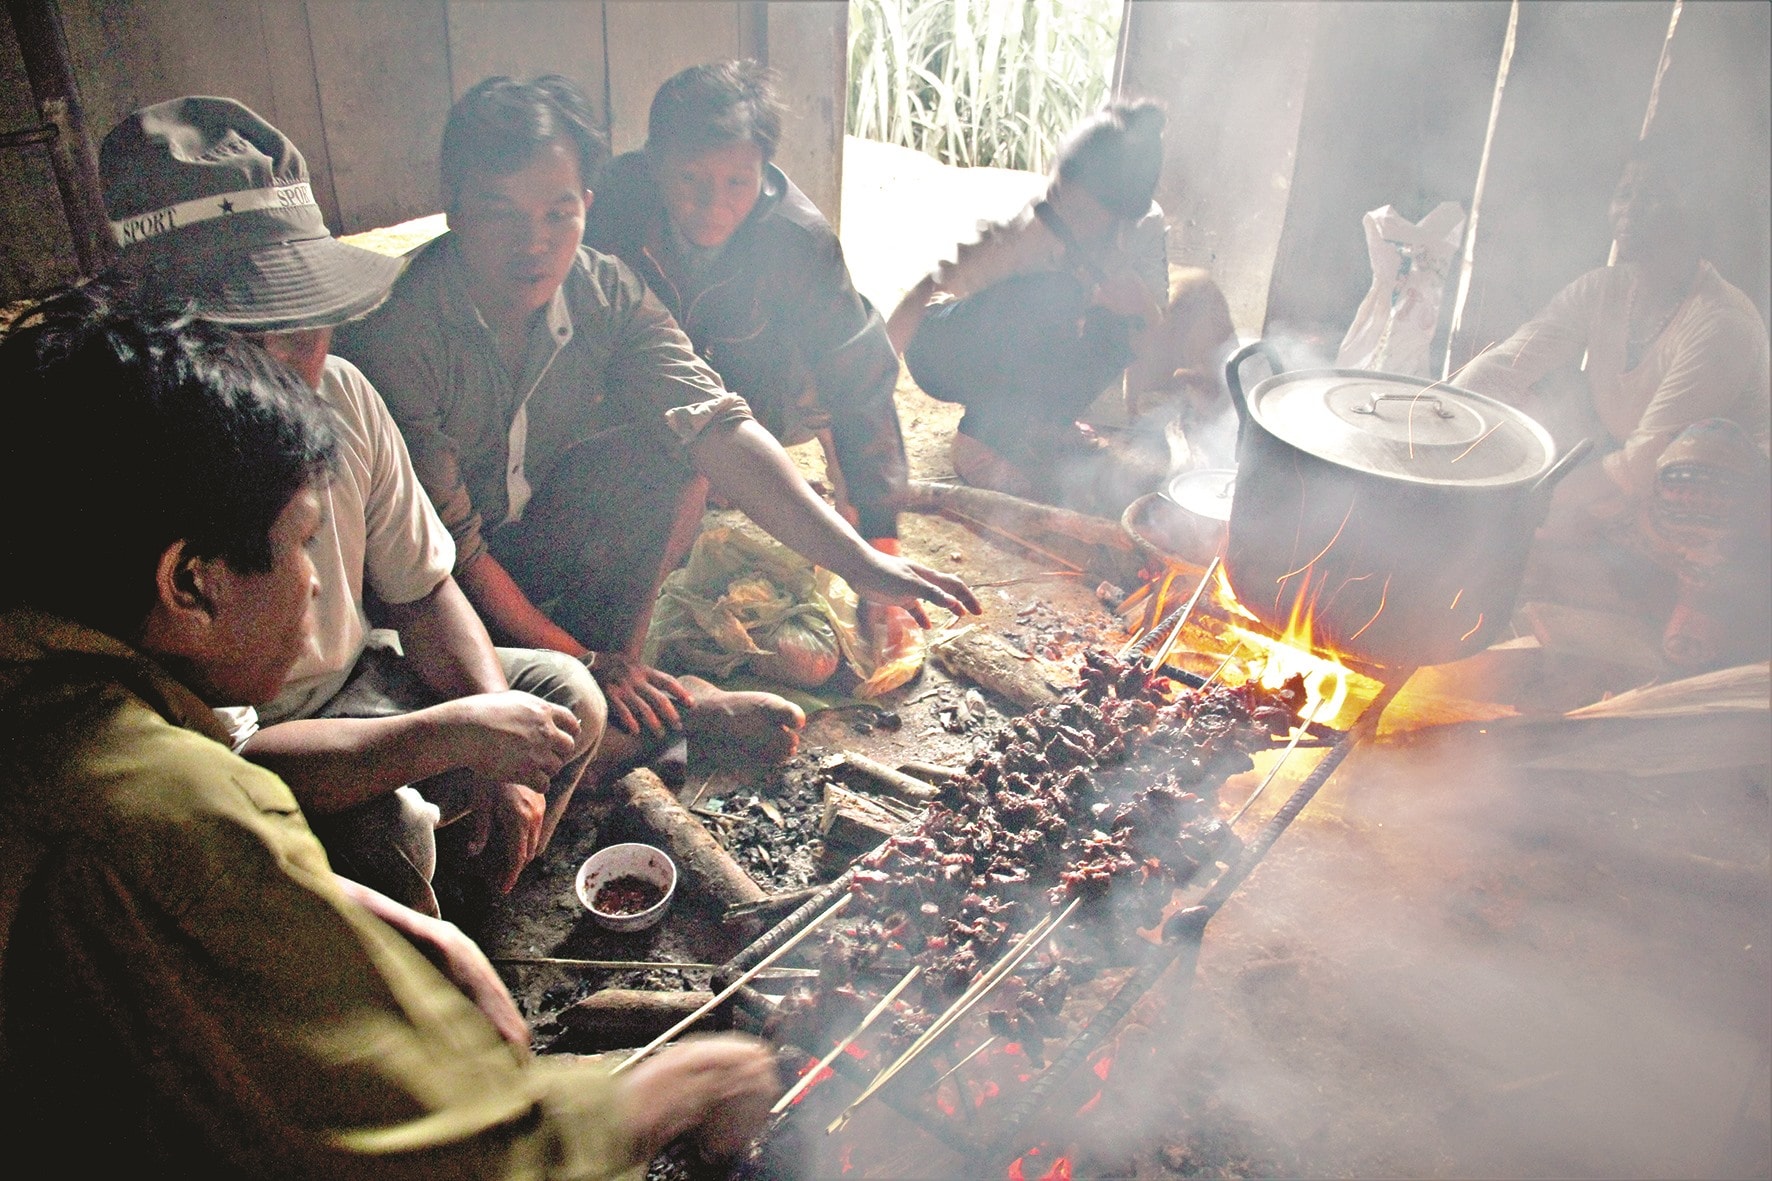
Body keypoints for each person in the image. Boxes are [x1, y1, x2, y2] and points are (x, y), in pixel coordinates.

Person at [0, 294, 778, 1175]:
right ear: (191, 585)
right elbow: (456, 1163)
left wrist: (398, 926)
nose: (316, 582)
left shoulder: (53, 676)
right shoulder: (159, 803)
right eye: (299, 545)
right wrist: (678, 1090)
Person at [336, 75, 978, 769]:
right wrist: (581, 658)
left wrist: (863, 561)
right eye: (501, 213)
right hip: (430, 594)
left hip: (530, 539)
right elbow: (449, 558)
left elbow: (719, 425)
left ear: (586, 205)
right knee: (468, 730)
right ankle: (656, 710)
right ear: (455, 209)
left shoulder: (605, 287)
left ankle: (629, 689)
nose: (535, 243)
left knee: (670, 451)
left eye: (558, 213)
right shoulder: (400, 331)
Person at [98, 96, 608, 918]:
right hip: (247, 753)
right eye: (257, 331)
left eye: (312, 322)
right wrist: (451, 736)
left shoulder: (340, 392)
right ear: (171, 335)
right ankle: (411, 938)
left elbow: (424, 589)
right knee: (391, 830)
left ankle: (470, 888)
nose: (300, 359)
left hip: (362, 681)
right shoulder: (153, 473)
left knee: (564, 701)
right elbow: (237, 758)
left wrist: (491, 728)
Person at [1457, 136, 1770, 669]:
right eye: (1624, 194)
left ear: (1691, 214)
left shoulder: (1722, 322)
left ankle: (1703, 609)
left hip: (1727, 523)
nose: (1629, 211)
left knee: (1699, 455)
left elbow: (1647, 459)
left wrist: (1528, 506)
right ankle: (1628, 586)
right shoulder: (1601, 291)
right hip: (1639, 504)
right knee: (1539, 409)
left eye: (1652, 197)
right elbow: (1509, 364)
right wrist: (1433, 418)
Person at [585, 59, 908, 554]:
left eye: (738, 182)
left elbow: (857, 373)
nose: (713, 204)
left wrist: (880, 531)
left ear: (764, 167)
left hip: (764, 400)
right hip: (653, 391)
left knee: (836, 351)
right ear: (654, 163)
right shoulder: (614, 207)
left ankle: (831, 492)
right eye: (691, 178)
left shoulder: (799, 239)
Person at [887, 99, 1235, 512]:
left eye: (1083, 210)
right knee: (1055, 298)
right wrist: (866, 391)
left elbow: (1149, 341)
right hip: (942, 348)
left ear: (1122, 219)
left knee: (1112, 321)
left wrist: (1139, 305)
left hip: (1013, 351)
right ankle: (976, 445)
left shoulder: (1143, 230)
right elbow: (926, 291)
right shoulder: (1031, 225)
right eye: (1058, 193)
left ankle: (1044, 424)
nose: (1062, 213)